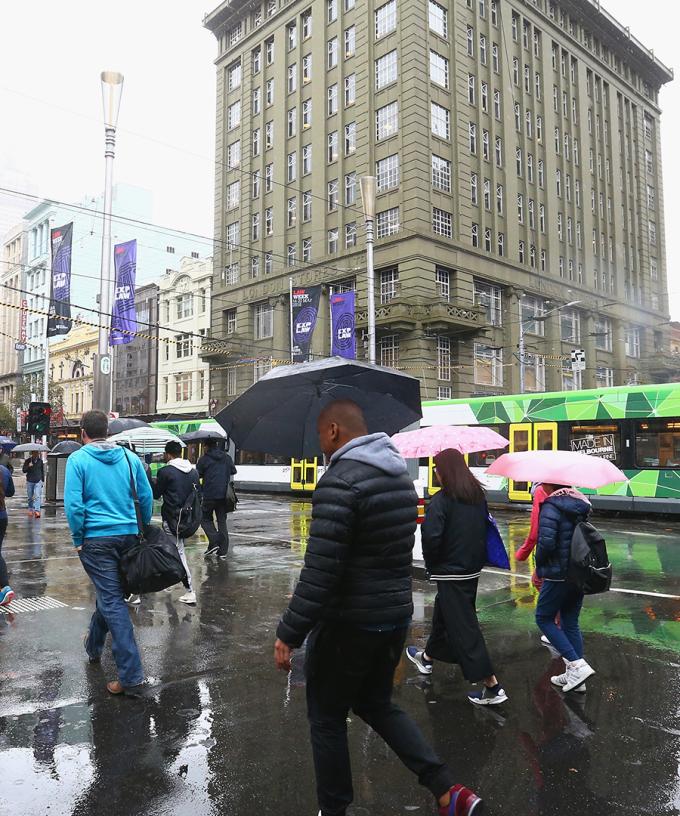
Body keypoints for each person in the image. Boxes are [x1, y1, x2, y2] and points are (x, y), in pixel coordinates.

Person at [274, 401, 481, 816]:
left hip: (348, 622)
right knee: (375, 703)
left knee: (327, 717)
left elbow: (321, 570)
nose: (320, 446)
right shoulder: (399, 481)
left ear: (333, 431)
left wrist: (289, 631)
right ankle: (448, 791)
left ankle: (334, 809)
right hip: (392, 618)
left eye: (320, 436)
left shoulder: (340, 482)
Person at [406, 449, 507, 707]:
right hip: (470, 570)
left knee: (464, 627)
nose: (436, 474)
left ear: (444, 471)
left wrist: (432, 564)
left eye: (437, 469)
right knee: (446, 612)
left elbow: (431, 538)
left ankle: (492, 686)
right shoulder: (476, 496)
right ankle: (427, 658)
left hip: (450, 573)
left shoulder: (441, 501)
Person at [64, 410, 154, 697]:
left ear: (83, 432)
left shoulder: (78, 459)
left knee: (112, 600)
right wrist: (141, 529)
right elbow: (146, 496)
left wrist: (79, 539)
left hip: (96, 539)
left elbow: (75, 506)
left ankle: (130, 676)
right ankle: (93, 646)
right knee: (109, 593)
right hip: (128, 536)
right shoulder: (129, 458)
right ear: (109, 431)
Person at [534, 484, 596, 693]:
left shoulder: (551, 506)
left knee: (543, 617)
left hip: (557, 573)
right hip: (578, 572)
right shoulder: (582, 505)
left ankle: (576, 666)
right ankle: (576, 677)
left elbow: (546, 543)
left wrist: (539, 565)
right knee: (570, 622)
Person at [150, 440, 199, 605]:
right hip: (188, 520)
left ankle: (190, 590)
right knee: (173, 550)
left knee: (177, 552)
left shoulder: (166, 472)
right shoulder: (193, 472)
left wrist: (151, 480)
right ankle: (171, 581)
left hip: (172, 520)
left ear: (167, 454)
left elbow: (156, 494)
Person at [197, 438, 236, 558]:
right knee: (222, 521)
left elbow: (198, 474)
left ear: (207, 447)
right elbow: (233, 471)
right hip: (224, 495)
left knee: (204, 518)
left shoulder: (204, 459)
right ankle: (222, 551)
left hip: (209, 494)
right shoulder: (226, 457)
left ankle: (214, 541)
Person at [0, 462, 16, 606]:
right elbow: (11, 492)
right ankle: (4, 588)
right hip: (2, 516)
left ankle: (5, 587)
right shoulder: (4, 470)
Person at [23, 450, 44, 518]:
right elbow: (24, 470)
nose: (36, 454)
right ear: (32, 453)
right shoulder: (28, 461)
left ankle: (37, 510)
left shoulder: (40, 461)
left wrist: (42, 480)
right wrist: (28, 466)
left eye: (37, 453)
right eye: (35, 453)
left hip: (38, 481)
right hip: (30, 481)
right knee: (30, 497)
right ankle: (30, 509)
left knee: (37, 496)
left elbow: (42, 471)